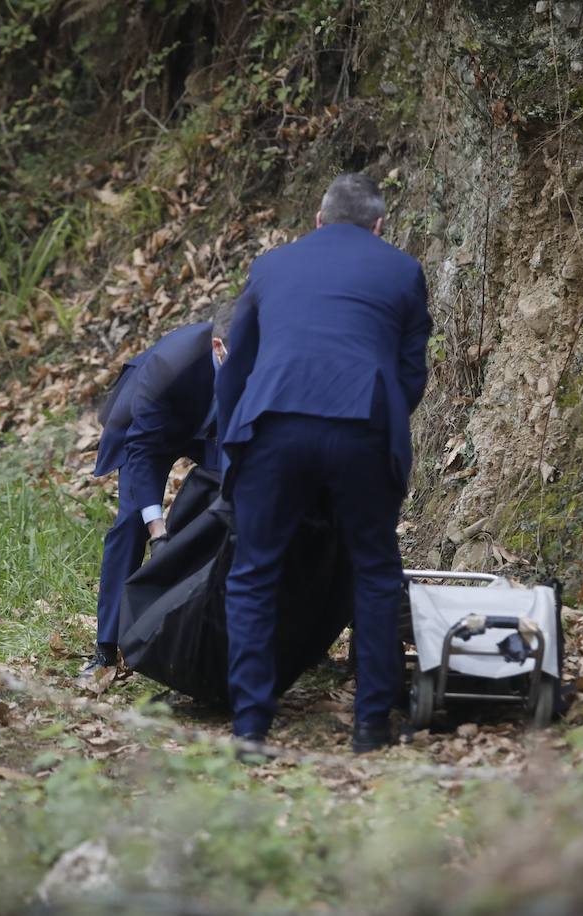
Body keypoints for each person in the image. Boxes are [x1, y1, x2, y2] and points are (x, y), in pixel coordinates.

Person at [217, 173, 432, 753]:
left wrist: (231, 445)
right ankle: (369, 727)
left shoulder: (271, 267)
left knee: (254, 571)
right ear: (380, 225)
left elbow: (237, 367)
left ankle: (250, 726)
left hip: (273, 423)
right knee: (375, 570)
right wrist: (377, 424)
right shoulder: (403, 271)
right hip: (362, 423)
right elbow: (412, 374)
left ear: (317, 219)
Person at [84, 300, 237, 680]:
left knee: (231, 503)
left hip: (215, 430)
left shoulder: (256, 354)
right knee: (132, 522)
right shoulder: (171, 364)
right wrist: (158, 529)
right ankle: (106, 646)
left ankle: (209, 626)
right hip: (153, 426)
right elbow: (143, 451)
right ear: (219, 348)